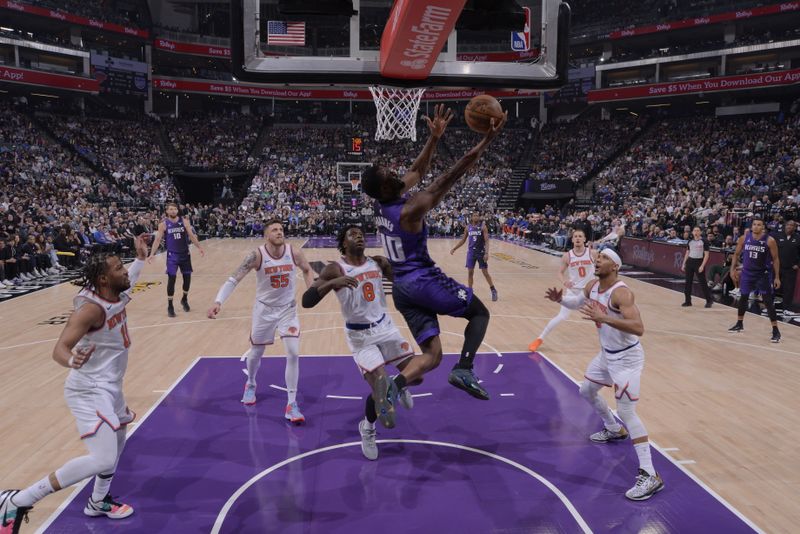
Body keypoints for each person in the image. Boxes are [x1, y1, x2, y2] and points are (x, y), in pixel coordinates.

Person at [0, 235, 149, 531]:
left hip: (110, 386)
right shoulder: (90, 309)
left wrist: (142, 258)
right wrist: (72, 360)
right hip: (88, 388)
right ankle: (17, 500)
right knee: (103, 458)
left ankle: (97, 502)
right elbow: (59, 348)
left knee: (118, 443)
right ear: (104, 279)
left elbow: (129, 279)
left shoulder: (113, 291)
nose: (125, 270)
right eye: (120, 267)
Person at [362, 104, 507, 401]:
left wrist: (435, 138)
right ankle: (465, 368)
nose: (395, 173)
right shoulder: (410, 209)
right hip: (423, 281)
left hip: (401, 289)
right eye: (390, 174)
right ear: (385, 187)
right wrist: (487, 141)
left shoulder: (381, 202)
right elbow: (453, 173)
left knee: (433, 354)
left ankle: (393, 388)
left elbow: (417, 171)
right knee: (479, 313)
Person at [544, 249, 664, 501]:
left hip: (627, 359)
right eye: (597, 258)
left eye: (604, 258)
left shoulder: (622, 293)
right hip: (606, 355)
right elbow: (577, 303)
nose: (597, 261)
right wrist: (561, 301)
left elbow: (639, 328)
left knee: (627, 412)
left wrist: (605, 318)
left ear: (616, 266)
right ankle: (613, 429)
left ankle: (650, 474)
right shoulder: (592, 285)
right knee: (586, 390)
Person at [301, 226, 415, 460]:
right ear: (343, 242)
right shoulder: (335, 269)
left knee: (418, 373)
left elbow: (403, 282)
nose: (359, 236)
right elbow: (306, 301)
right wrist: (333, 283)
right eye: (352, 234)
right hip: (360, 337)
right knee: (379, 387)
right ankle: (368, 428)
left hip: (386, 328)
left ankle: (399, 384)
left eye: (361, 233)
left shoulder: (378, 261)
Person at [207, 219, 314, 423]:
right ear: (266, 235)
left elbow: (308, 270)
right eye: (274, 230)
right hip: (264, 311)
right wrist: (218, 302)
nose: (279, 232)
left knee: (293, 352)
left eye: (281, 229)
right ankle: (251, 383)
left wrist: (312, 292)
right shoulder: (256, 255)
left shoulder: (294, 252)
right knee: (256, 352)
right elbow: (234, 279)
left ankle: (291, 404)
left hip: (287, 310)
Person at [529, 228, 596, 352]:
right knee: (561, 316)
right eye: (575, 236)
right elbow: (560, 273)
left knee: (602, 317)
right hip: (573, 291)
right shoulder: (567, 255)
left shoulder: (593, 253)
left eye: (580, 236)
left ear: (585, 239)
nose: (577, 238)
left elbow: (604, 267)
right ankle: (539, 339)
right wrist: (565, 282)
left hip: (589, 292)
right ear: (572, 239)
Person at [728, 218, 781, 343]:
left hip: (762, 274)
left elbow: (776, 259)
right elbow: (735, 254)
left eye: (759, 225)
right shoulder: (743, 238)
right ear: (751, 226)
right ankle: (739, 323)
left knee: (768, 302)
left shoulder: (769, 240)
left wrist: (777, 277)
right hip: (747, 273)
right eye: (754, 224)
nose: (756, 227)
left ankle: (776, 330)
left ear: (763, 227)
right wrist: (732, 269)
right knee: (743, 298)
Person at [147, 203, 205, 318]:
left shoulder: (184, 221)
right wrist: (152, 254)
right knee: (172, 278)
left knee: (187, 278)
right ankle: (170, 306)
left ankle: (184, 299)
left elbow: (192, 236)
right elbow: (157, 240)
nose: (173, 211)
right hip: (172, 255)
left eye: (175, 209)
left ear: (177, 211)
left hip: (184, 254)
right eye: (171, 209)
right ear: (167, 211)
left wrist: (199, 247)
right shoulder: (163, 225)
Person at [450, 212, 498, 301]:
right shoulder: (468, 228)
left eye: (477, 216)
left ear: (479, 217)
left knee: (485, 273)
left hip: (481, 252)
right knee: (470, 273)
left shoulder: (483, 227)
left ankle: (493, 290)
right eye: (474, 216)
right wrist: (454, 248)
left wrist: (487, 253)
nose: (476, 217)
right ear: (471, 217)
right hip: (471, 253)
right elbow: (463, 240)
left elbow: (487, 241)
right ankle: (470, 292)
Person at [680, 226, 713, 308]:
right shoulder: (690, 241)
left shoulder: (704, 241)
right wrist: (684, 264)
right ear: (692, 232)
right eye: (694, 230)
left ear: (700, 232)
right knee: (688, 282)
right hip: (690, 262)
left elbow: (707, 255)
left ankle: (709, 300)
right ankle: (688, 301)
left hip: (699, 262)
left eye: (698, 230)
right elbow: (687, 253)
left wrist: (702, 265)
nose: (696, 232)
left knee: (702, 282)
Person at [774, 220, 799, 313]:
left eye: (792, 225)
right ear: (785, 226)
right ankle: (769, 305)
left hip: (790, 268)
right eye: (788, 225)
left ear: (794, 228)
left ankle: (786, 308)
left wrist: (798, 264)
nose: (789, 226)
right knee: (773, 286)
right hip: (777, 267)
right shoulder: (777, 236)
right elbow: (772, 249)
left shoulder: (798, 238)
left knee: (789, 289)